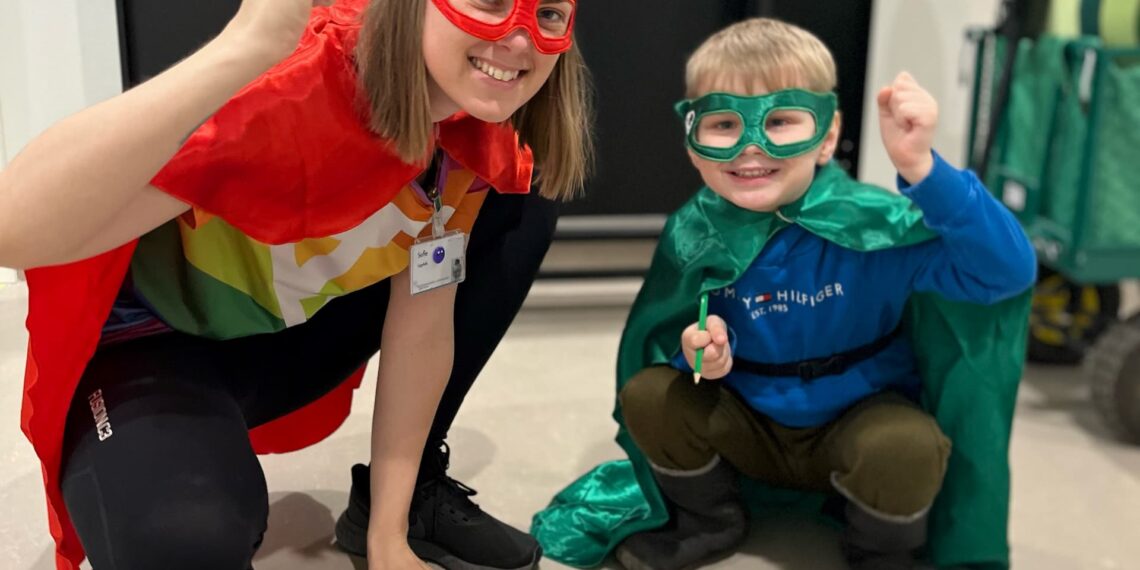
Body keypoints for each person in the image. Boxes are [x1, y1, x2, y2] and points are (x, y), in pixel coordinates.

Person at [0, 1, 591, 569]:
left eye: (547, 14)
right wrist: (248, 44)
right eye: (488, 1)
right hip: (150, 347)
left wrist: (389, 535)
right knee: (183, 543)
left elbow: (423, 325)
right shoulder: (291, 87)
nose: (520, 40)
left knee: (524, 196)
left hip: (284, 341)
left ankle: (414, 496)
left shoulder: (477, 130)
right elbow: (11, 231)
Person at [534, 17, 1035, 570]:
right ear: (694, 143)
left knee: (906, 446)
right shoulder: (696, 232)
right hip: (746, 422)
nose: (751, 147)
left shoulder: (878, 229)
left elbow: (1004, 273)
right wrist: (698, 352)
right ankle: (710, 520)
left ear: (826, 136)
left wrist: (923, 169)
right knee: (651, 395)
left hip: (857, 422)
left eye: (782, 121)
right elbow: (670, 334)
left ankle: (879, 550)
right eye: (724, 123)